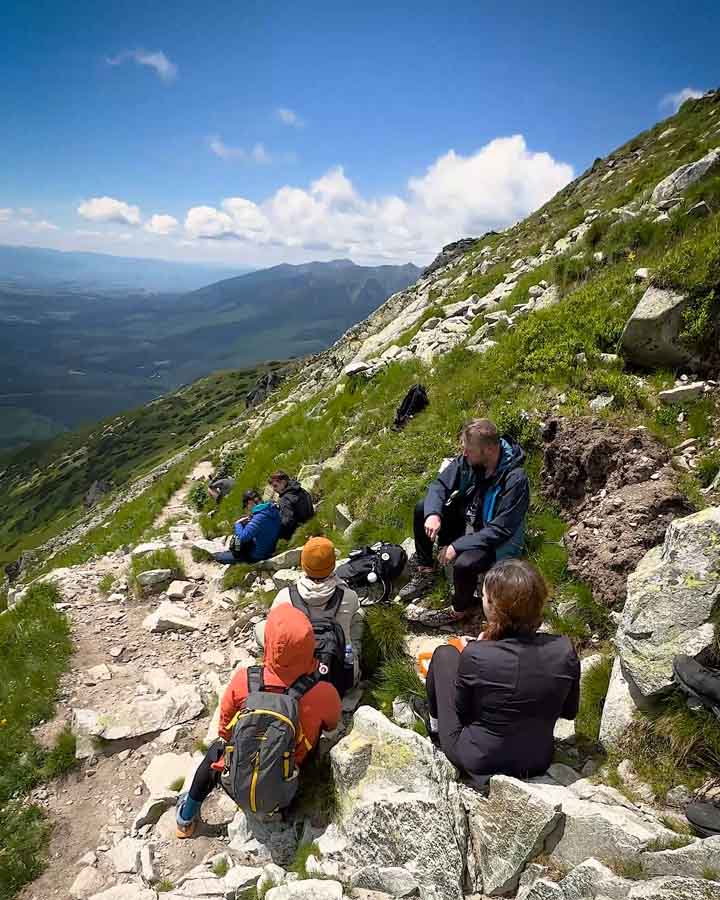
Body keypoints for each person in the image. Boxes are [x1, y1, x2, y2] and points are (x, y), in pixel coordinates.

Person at [176, 604, 342, 838]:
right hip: (288, 785)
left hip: (238, 782)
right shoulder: (323, 692)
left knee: (215, 753)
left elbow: (224, 729)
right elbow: (332, 726)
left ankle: (186, 818)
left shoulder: (245, 679)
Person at [420, 559, 580, 788]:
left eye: (483, 596)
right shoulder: (564, 649)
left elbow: (462, 713)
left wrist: (472, 654)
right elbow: (569, 711)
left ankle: (434, 731)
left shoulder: (475, 655)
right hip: (537, 759)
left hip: (479, 759)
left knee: (445, 654)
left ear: (494, 607)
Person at [399, 418, 529, 625]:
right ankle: (426, 571)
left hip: (495, 539)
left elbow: (501, 529)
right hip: (470, 518)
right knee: (423, 508)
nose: (464, 453)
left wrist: (457, 546)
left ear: (488, 450)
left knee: (464, 564)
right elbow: (439, 485)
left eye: (469, 449)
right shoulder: (470, 460)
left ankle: (461, 609)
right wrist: (433, 513)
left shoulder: (515, 479)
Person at [255, 537, 363, 689]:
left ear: (303, 565)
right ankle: (355, 657)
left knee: (262, 627)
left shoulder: (285, 596)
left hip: (296, 678)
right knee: (358, 616)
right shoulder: (349, 596)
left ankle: (269, 668)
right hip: (341, 677)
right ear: (333, 565)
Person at [213, 488, 281, 564]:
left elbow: (243, 537)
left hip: (258, 555)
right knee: (234, 548)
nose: (248, 509)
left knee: (218, 556)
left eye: (246, 506)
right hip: (270, 548)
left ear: (250, 502)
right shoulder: (271, 508)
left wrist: (238, 524)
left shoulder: (259, 518)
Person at [268, 471, 315, 541]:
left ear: (283, 482)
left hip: (299, 531)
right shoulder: (299, 489)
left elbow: (287, 522)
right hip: (310, 521)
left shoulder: (285, 499)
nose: (274, 489)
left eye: (275, 486)